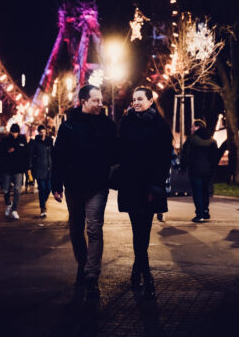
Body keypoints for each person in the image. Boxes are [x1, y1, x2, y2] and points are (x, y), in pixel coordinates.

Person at [52, 84, 117, 298]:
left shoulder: (107, 126)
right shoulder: (68, 127)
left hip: (98, 185)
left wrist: (111, 172)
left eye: (101, 100)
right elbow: (59, 157)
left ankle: (91, 275)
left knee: (94, 229)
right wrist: (56, 184)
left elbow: (116, 153)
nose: (100, 104)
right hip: (73, 185)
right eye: (96, 100)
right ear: (83, 101)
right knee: (75, 229)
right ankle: (83, 262)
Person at [118, 86, 172, 298]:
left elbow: (164, 159)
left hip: (150, 186)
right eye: (134, 99)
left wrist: (155, 185)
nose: (136, 103)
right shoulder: (125, 123)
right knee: (137, 229)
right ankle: (143, 270)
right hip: (131, 184)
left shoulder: (160, 126)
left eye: (140, 99)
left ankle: (140, 269)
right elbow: (120, 151)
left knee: (144, 229)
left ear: (150, 101)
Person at [181, 119, 218, 223]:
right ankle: (206, 211)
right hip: (208, 171)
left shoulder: (191, 140)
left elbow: (186, 155)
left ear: (197, 127)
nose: (191, 128)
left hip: (195, 170)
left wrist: (183, 167)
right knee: (205, 191)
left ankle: (199, 214)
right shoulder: (212, 140)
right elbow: (215, 157)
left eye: (192, 126)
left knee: (197, 192)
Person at [0, 123, 28, 220]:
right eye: (13, 132)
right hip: (7, 169)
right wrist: (7, 151)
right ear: (10, 132)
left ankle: (14, 210)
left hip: (18, 169)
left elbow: (26, 154)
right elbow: (0, 152)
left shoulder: (22, 140)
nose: (14, 134)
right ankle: (8, 204)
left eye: (16, 132)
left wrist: (26, 167)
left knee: (17, 190)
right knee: (5, 189)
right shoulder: (5, 140)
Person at [29, 124, 53, 217]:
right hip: (39, 169)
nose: (42, 133)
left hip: (49, 169)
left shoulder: (49, 141)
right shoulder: (36, 143)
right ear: (38, 132)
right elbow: (32, 155)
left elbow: (52, 154)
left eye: (44, 131)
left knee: (49, 189)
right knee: (42, 189)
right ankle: (42, 207)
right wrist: (30, 167)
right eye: (41, 132)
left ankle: (43, 202)